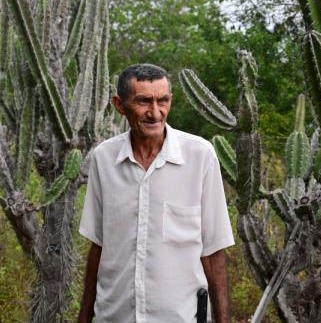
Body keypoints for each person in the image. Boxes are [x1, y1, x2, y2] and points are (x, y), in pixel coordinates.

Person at [78, 64, 235, 322]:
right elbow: (99, 245)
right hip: (115, 316)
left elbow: (213, 251)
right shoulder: (103, 158)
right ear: (120, 105)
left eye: (163, 101)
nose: (155, 112)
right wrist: (84, 317)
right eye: (143, 101)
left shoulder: (200, 156)